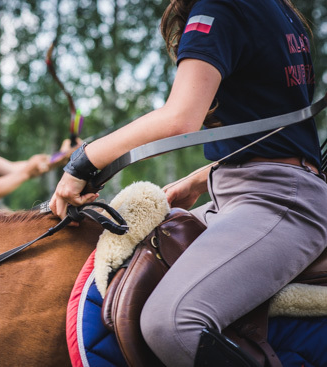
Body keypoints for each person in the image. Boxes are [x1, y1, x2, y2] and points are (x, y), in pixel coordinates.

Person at [50, 0, 327, 365]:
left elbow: (180, 118)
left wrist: (82, 163)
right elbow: (276, 125)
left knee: (172, 324)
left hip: (277, 200)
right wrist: (205, 176)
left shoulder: (220, 7)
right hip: (244, 189)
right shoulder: (277, 8)